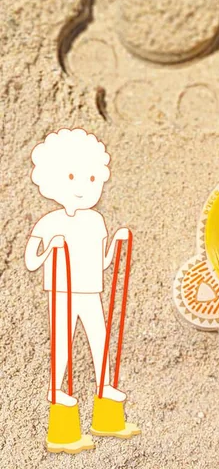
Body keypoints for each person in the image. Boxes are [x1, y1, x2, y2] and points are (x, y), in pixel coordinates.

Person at [25, 128, 129, 407]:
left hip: (91, 289)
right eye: (72, 176)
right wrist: (51, 247)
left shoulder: (96, 221)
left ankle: (104, 385)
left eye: (92, 178)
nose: (83, 186)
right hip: (62, 291)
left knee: (99, 337)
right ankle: (56, 389)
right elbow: (31, 261)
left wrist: (116, 243)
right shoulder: (49, 222)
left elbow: (102, 263)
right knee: (63, 339)